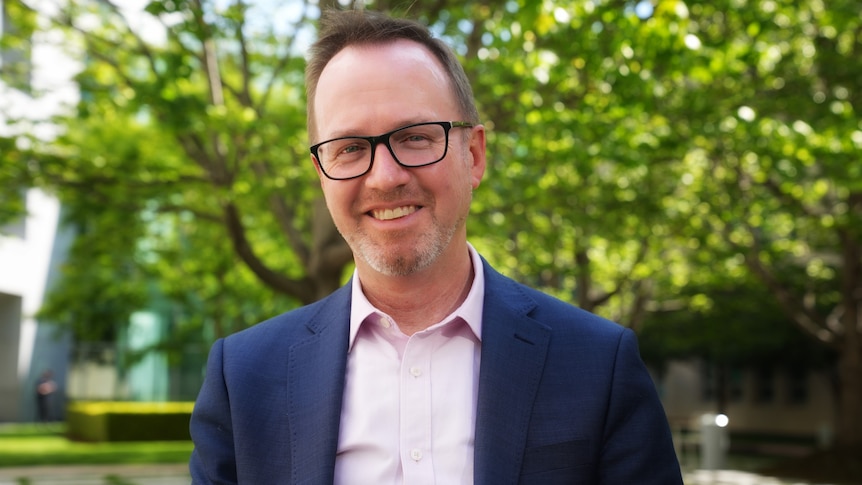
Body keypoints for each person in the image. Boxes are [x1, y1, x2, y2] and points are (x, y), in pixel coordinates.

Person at [189, 9, 683, 484]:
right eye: (350, 148)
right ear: (322, 174)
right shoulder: (244, 377)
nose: (385, 178)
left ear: (474, 155)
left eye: (416, 137)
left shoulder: (600, 365)